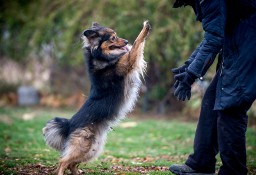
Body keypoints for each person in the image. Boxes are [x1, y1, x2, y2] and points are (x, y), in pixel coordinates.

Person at [169, 0, 256, 175]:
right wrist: (189, 66)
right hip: (238, 36)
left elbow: (214, 40)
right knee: (212, 98)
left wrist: (190, 76)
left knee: (231, 104)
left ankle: (233, 171)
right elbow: (214, 35)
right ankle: (201, 162)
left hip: (249, 40)